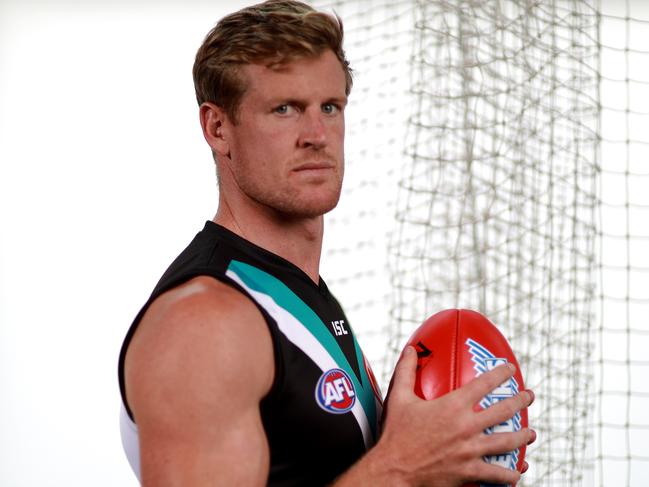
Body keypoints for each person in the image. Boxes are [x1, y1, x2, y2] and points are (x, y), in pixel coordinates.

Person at [118, 1, 536, 485]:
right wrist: (402, 464)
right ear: (217, 128)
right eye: (285, 109)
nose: (317, 135)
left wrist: (450, 458)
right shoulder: (205, 325)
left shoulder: (297, 294)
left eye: (330, 107)